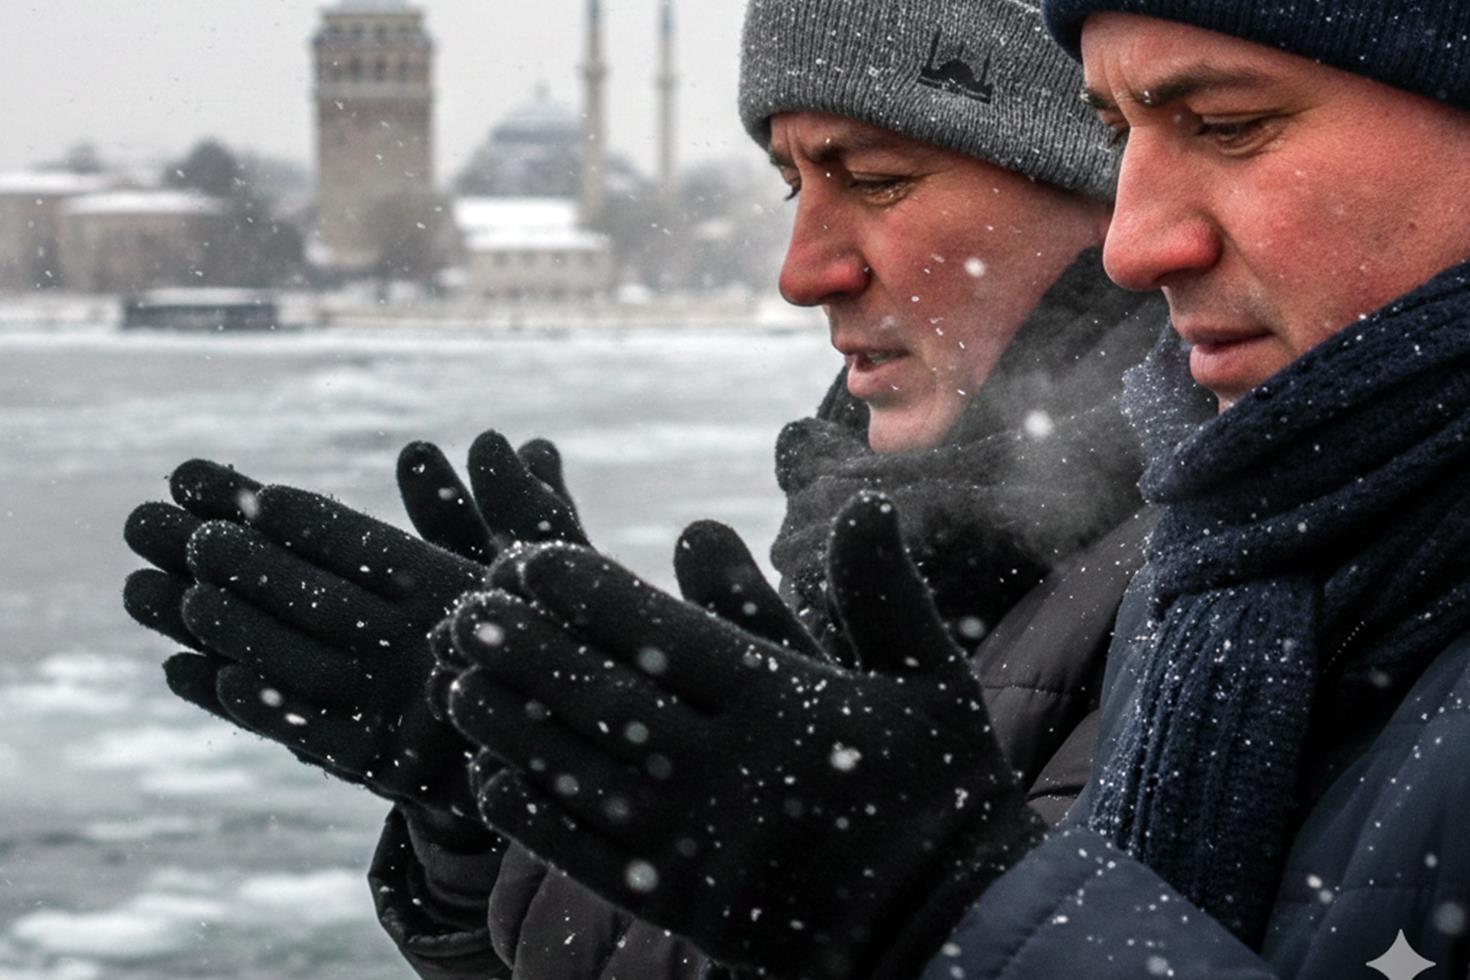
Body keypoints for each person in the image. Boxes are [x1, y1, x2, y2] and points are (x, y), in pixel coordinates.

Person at [121, 1, 1162, 977]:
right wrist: (517, 789)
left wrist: (916, 904)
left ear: (1110, 184)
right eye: (794, 186)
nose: (801, 271)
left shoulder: (1212, 583)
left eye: (878, 179)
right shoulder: (887, 535)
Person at [433, 1, 1470, 978]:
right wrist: (494, 803)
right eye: (1118, 135)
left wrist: (937, 909)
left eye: (1229, 123)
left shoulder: (1183, 565)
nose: (1134, 239)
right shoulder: (1227, 573)